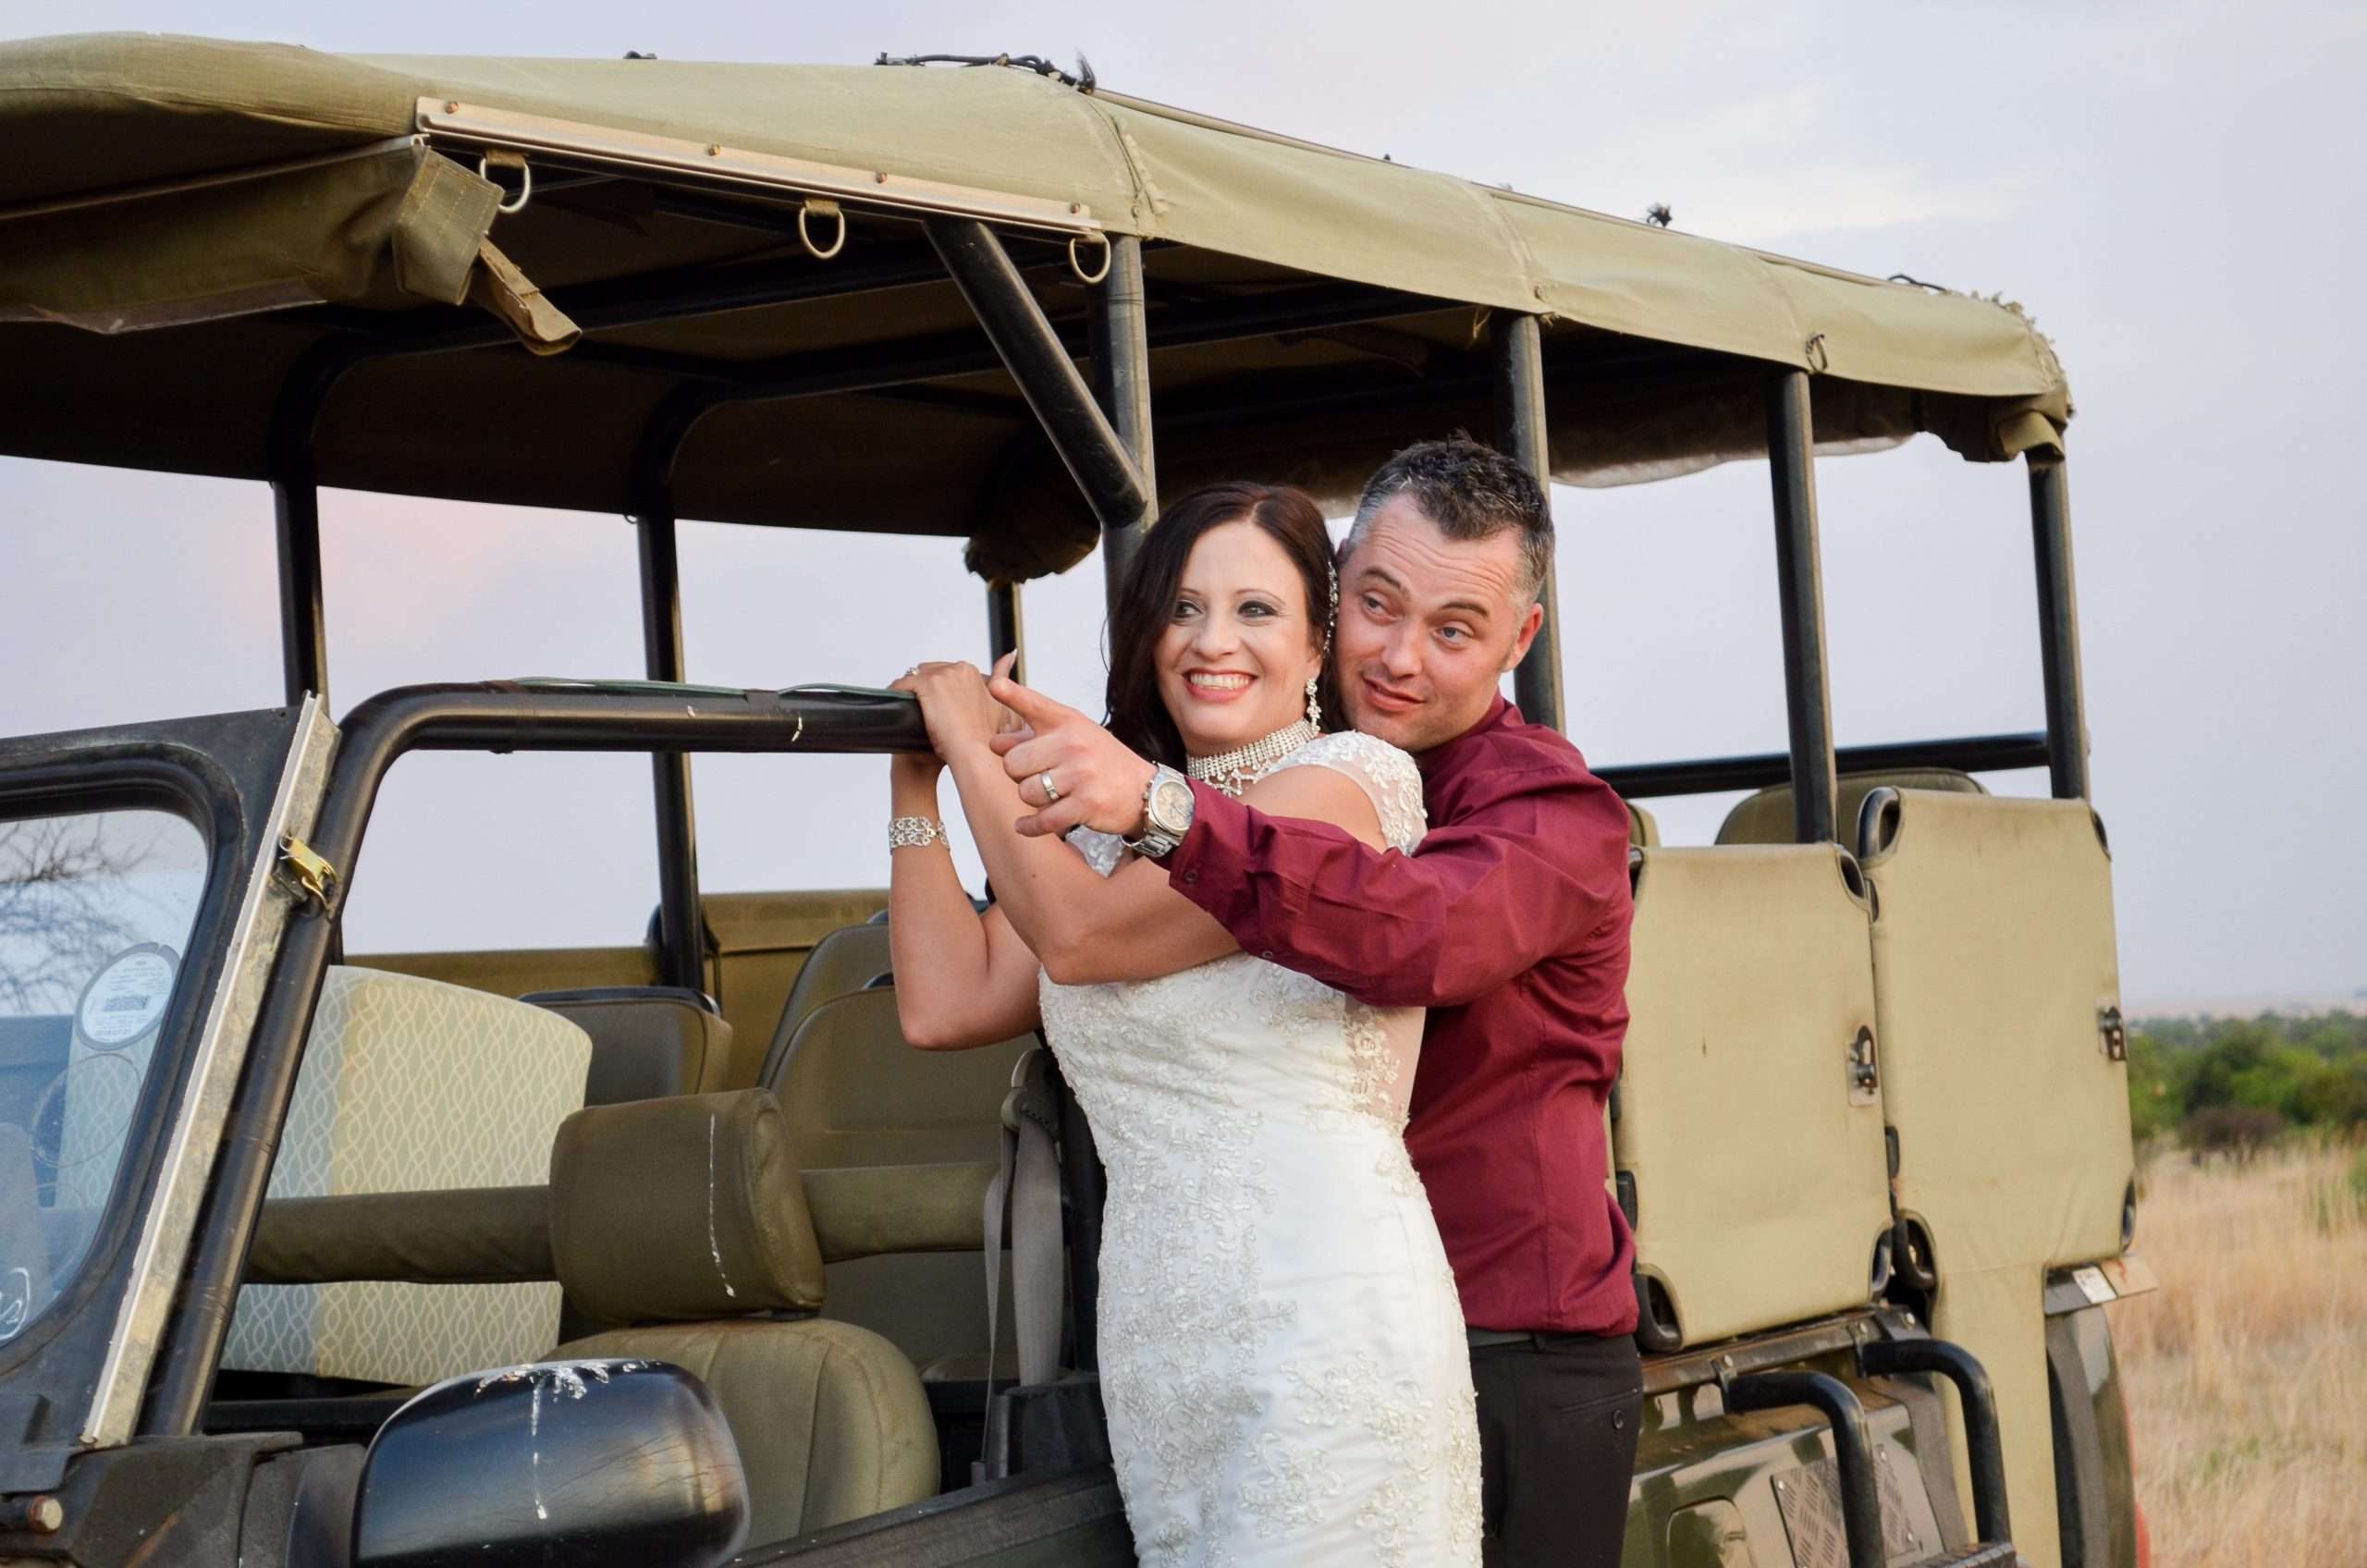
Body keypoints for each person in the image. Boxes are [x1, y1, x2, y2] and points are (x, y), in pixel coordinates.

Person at [985, 438, 1641, 1568]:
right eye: (1376, 605)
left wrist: (1164, 810)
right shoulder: (1272, 764)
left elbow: (1412, 934)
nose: (1396, 657)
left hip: (1508, 1342)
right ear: (1335, 599)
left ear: (1518, 640)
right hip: (1243, 1329)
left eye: (1452, 630)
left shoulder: (1551, 812)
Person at [886, 481, 1481, 1567]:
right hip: (1162, 1339)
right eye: (1184, 608)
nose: (1212, 642)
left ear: (1316, 646)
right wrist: (918, 784)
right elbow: (944, 1003)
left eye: (1256, 610)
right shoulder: (1107, 834)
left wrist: (974, 746)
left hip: (1325, 1320)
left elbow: (1083, 940)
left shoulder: (1349, 786)